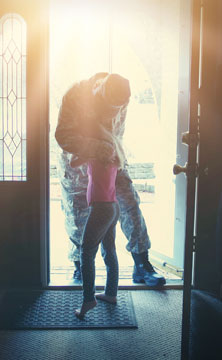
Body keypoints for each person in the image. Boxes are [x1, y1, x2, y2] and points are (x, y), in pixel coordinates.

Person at [55, 72, 165, 286]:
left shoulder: (122, 96)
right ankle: (80, 267)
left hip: (109, 157)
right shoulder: (75, 94)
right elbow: (62, 135)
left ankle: (141, 264)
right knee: (79, 213)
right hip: (76, 160)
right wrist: (97, 148)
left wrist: (112, 154)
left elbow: (117, 132)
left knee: (130, 204)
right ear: (97, 91)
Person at [73, 123, 123, 318]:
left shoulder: (93, 155)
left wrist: (82, 146)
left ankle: (88, 300)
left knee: (86, 253)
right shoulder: (114, 154)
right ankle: (111, 293)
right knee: (109, 250)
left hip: (101, 208)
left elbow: (72, 162)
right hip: (112, 206)